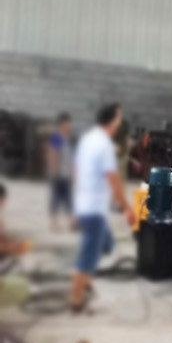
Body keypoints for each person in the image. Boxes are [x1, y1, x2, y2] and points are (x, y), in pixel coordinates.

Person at [70, 104, 135, 312]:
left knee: (106, 244)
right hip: (94, 210)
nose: (119, 123)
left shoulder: (88, 139)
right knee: (89, 254)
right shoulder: (105, 145)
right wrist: (127, 208)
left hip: (84, 205)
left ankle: (86, 279)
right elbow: (114, 181)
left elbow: (75, 171)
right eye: (118, 119)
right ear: (113, 121)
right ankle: (76, 299)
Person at [47, 112, 74, 230]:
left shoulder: (66, 137)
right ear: (62, 123)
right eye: (68, 123)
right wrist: (54, 172)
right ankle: (54, 222)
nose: (70, 125)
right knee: (56, 198)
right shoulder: (57, 137)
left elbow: (69, 157)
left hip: (66, 174)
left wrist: (71, 172)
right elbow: (53, 154)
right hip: (58, 174)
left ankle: (71, 221)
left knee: (68, 198)